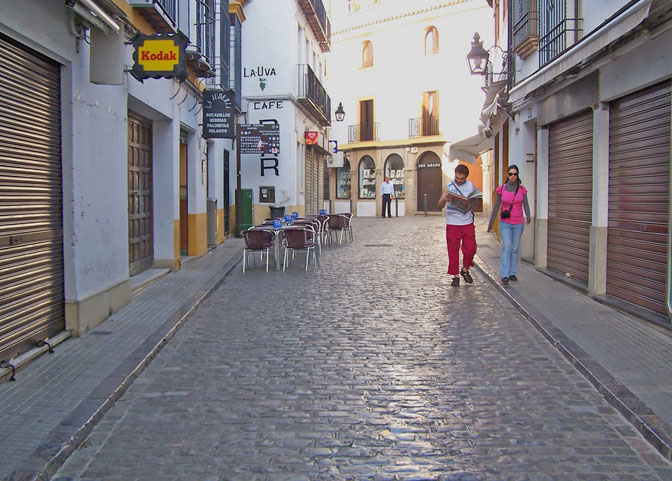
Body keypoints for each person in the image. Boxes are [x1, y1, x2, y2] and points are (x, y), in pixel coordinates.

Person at [487, 164, 531, 285]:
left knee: (515, 248)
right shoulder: (501, 189)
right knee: (506, 247)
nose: (513, 176)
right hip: (505, 222)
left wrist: (528, 216)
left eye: (515, 174)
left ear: (517, 175)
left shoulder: (522, 189)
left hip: (518, 222)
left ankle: (513, 273)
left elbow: (525, 204)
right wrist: (490, 223)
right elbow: (496, 206)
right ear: (507, 175)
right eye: (510, 174)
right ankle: (504, 274)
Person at [437, 164, 477, 286]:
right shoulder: (448, 186)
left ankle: (465, 270)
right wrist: (445, 199)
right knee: (453, 250)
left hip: (467, 222)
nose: (459, 180)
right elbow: (440, 205)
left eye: (462, 178)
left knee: (471, 249)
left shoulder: (470, 186)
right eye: (457, 178)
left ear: (466, 177)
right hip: (452, 223)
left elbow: (474, 202)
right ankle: (455, 276)